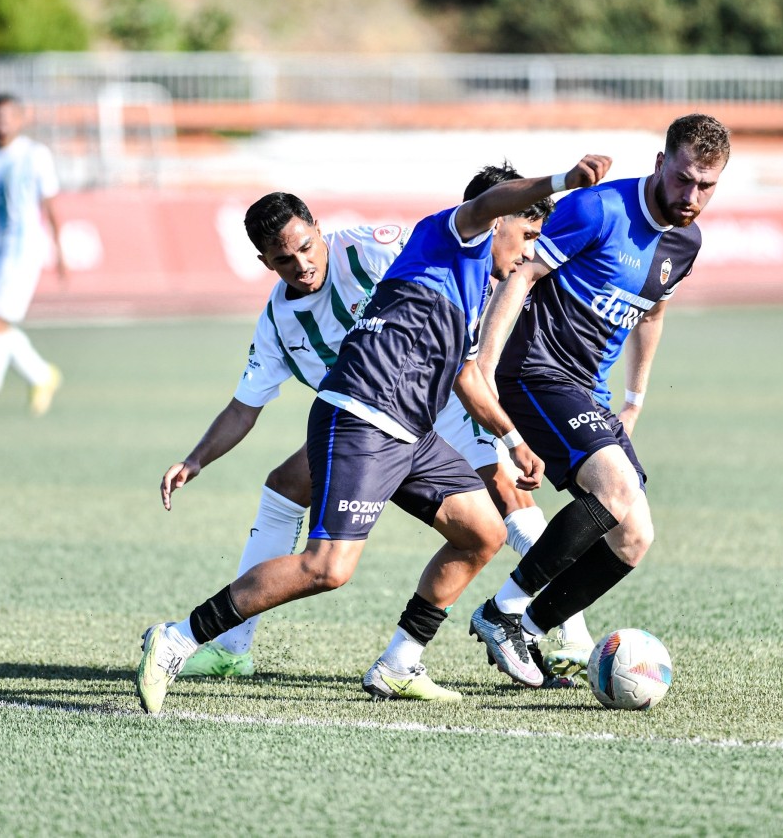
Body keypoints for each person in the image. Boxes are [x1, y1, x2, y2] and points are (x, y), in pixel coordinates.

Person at [135, 157, 610, 715]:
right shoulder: (447, 236)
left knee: (482, 532)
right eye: (527, 235)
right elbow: (483, 205)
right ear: (497, 221)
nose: (531, 251)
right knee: (327, 568)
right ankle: (180, 639)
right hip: (362, 416)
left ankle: (399, 664)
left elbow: (464, 373)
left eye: (305, 248)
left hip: (414, 427)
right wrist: (564, 181)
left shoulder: (470, 289)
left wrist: (512, 439)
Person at [469, 113, 731, 688]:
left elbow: (652, 311)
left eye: (706, 186)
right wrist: (485, 367)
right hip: (533, 371)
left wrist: (634, 399)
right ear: (660, 164)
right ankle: (502, 611)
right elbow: (522, 275)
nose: (691, 196)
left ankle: (528, 629)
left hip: (589, 389)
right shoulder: (598, 209)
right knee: (615, 487)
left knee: (634, 536)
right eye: (683, 178)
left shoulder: (686, 241)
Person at [0, 93, 65, 422]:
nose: (2, 122)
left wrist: (59, 249)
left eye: (8, 116)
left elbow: (50, 203)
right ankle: (41, 374)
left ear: (20, 119)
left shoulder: (34, 155)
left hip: (23, 248)